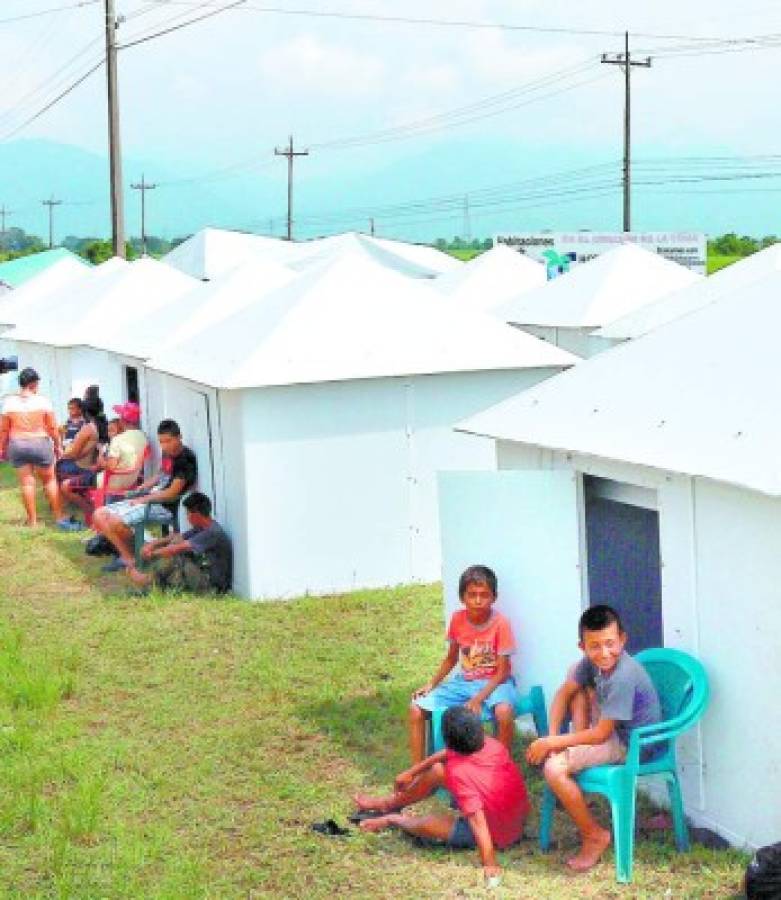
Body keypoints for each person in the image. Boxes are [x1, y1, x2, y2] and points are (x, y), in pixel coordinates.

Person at [525, 605, 662, 873]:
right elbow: (564, 694)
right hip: (610, 728)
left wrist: (554, 745)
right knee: (576, 682)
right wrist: (552, 737)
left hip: (632, 743)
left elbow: (600, 735)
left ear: (623, 639)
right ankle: (571, 748)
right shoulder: (589, 662)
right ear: (583, 645)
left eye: (610, 644)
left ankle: (594, 835)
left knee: (554, 769)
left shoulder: (623, 676)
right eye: (594, 646)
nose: (604, 653)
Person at [354, 706, 529, 888]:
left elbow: (478, 821)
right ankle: (387, 804)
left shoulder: (459, 772)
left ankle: (393, 819)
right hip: (515, 816)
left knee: (428, 825)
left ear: (447, 739)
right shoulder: (491, 744)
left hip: (500, 833)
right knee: (437, 770)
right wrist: (411, 772)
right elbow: (446, 754)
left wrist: (490, 863)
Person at [409, 564, 520, 762]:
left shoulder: (501, 623)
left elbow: (502, 673)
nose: (478, 600)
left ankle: (500, 767)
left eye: (484, 595)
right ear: (462, 597)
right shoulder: (457, 619)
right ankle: (416, 773)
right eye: (472, 595)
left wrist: (478, 699)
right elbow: (451, 658)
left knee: (503, 712)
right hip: (464, 683)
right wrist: (431, 684)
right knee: (416, 709)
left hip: (496, 683)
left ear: (494, 597)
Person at [91, 418, 197, 576]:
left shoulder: (185, 459)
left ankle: (137, 552)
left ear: (179, 437)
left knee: (113, 520)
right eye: (161, 441)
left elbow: (172, 493)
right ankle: (129, 556)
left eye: (168, 441)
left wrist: (143, 499)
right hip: (150, 498)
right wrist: (143, 487)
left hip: (164, 506)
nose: (165, 445)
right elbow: (161, 474)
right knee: (98, 515)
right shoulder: (167, 453)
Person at [127, 492, 232, 593]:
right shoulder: (202, 528)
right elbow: (177, 537)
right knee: (176, 545)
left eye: (188, 514)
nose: (187, 518)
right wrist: (153, 544)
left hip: (212, 586)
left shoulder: (212, 532)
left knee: (177, 556)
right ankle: (157, 583)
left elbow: (175, 549)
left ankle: (148, 580)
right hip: (204, 574)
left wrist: (152, 554)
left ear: (196, 514)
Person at [0, 367, 66, 527]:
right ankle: (58, 517)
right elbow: (52, 427)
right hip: (40, 442)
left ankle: (32, 520)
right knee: (50, 481)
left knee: (26, 483)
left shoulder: (9, 403)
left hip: (18, 443)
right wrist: (58, 445)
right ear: (34, 383)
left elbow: (4, 429)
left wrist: (2, 447)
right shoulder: (43, 401)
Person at [55, 395, 101, 486]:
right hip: (77, 459)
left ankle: (58, 495)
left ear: (81, 410)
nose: (70, 411)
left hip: (80, 465)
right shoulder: (89, 425)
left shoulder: (86, 428)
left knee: (49, 467)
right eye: (69, 409)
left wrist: (61, 454)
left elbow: (74, 454)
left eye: (72, 408)